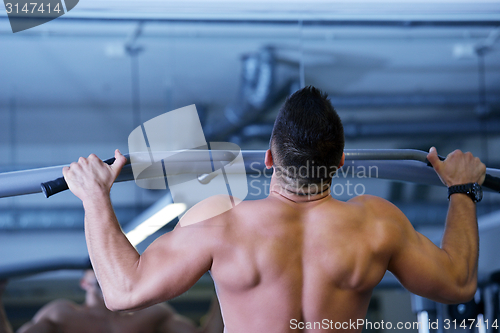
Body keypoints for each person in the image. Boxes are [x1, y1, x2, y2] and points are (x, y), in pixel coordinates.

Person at [62, 86, 486, 332]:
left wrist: (95, 197)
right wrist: (462, 189)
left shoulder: (220, 223)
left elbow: (122, 292)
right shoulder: (376, 223)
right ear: (340, 162)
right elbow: (458, 282)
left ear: (268, 159)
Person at [0, 270, 223, 333]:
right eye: (96, 270)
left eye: (108, 268)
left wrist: (224, 286)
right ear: (83, 282)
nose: (104, 274)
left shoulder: (152, 315)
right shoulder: (61, 315)